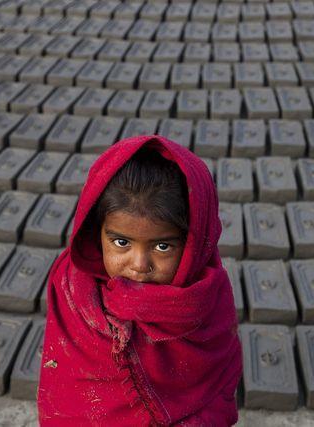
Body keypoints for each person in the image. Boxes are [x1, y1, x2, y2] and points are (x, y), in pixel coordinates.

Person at [38, 135, 242, 426]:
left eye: (162, 247)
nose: (138, 265)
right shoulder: (73, 292)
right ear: (97, 233)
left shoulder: (206, 297)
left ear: (195, 244)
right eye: (121, 242)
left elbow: (219, 384)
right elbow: (67, 395)